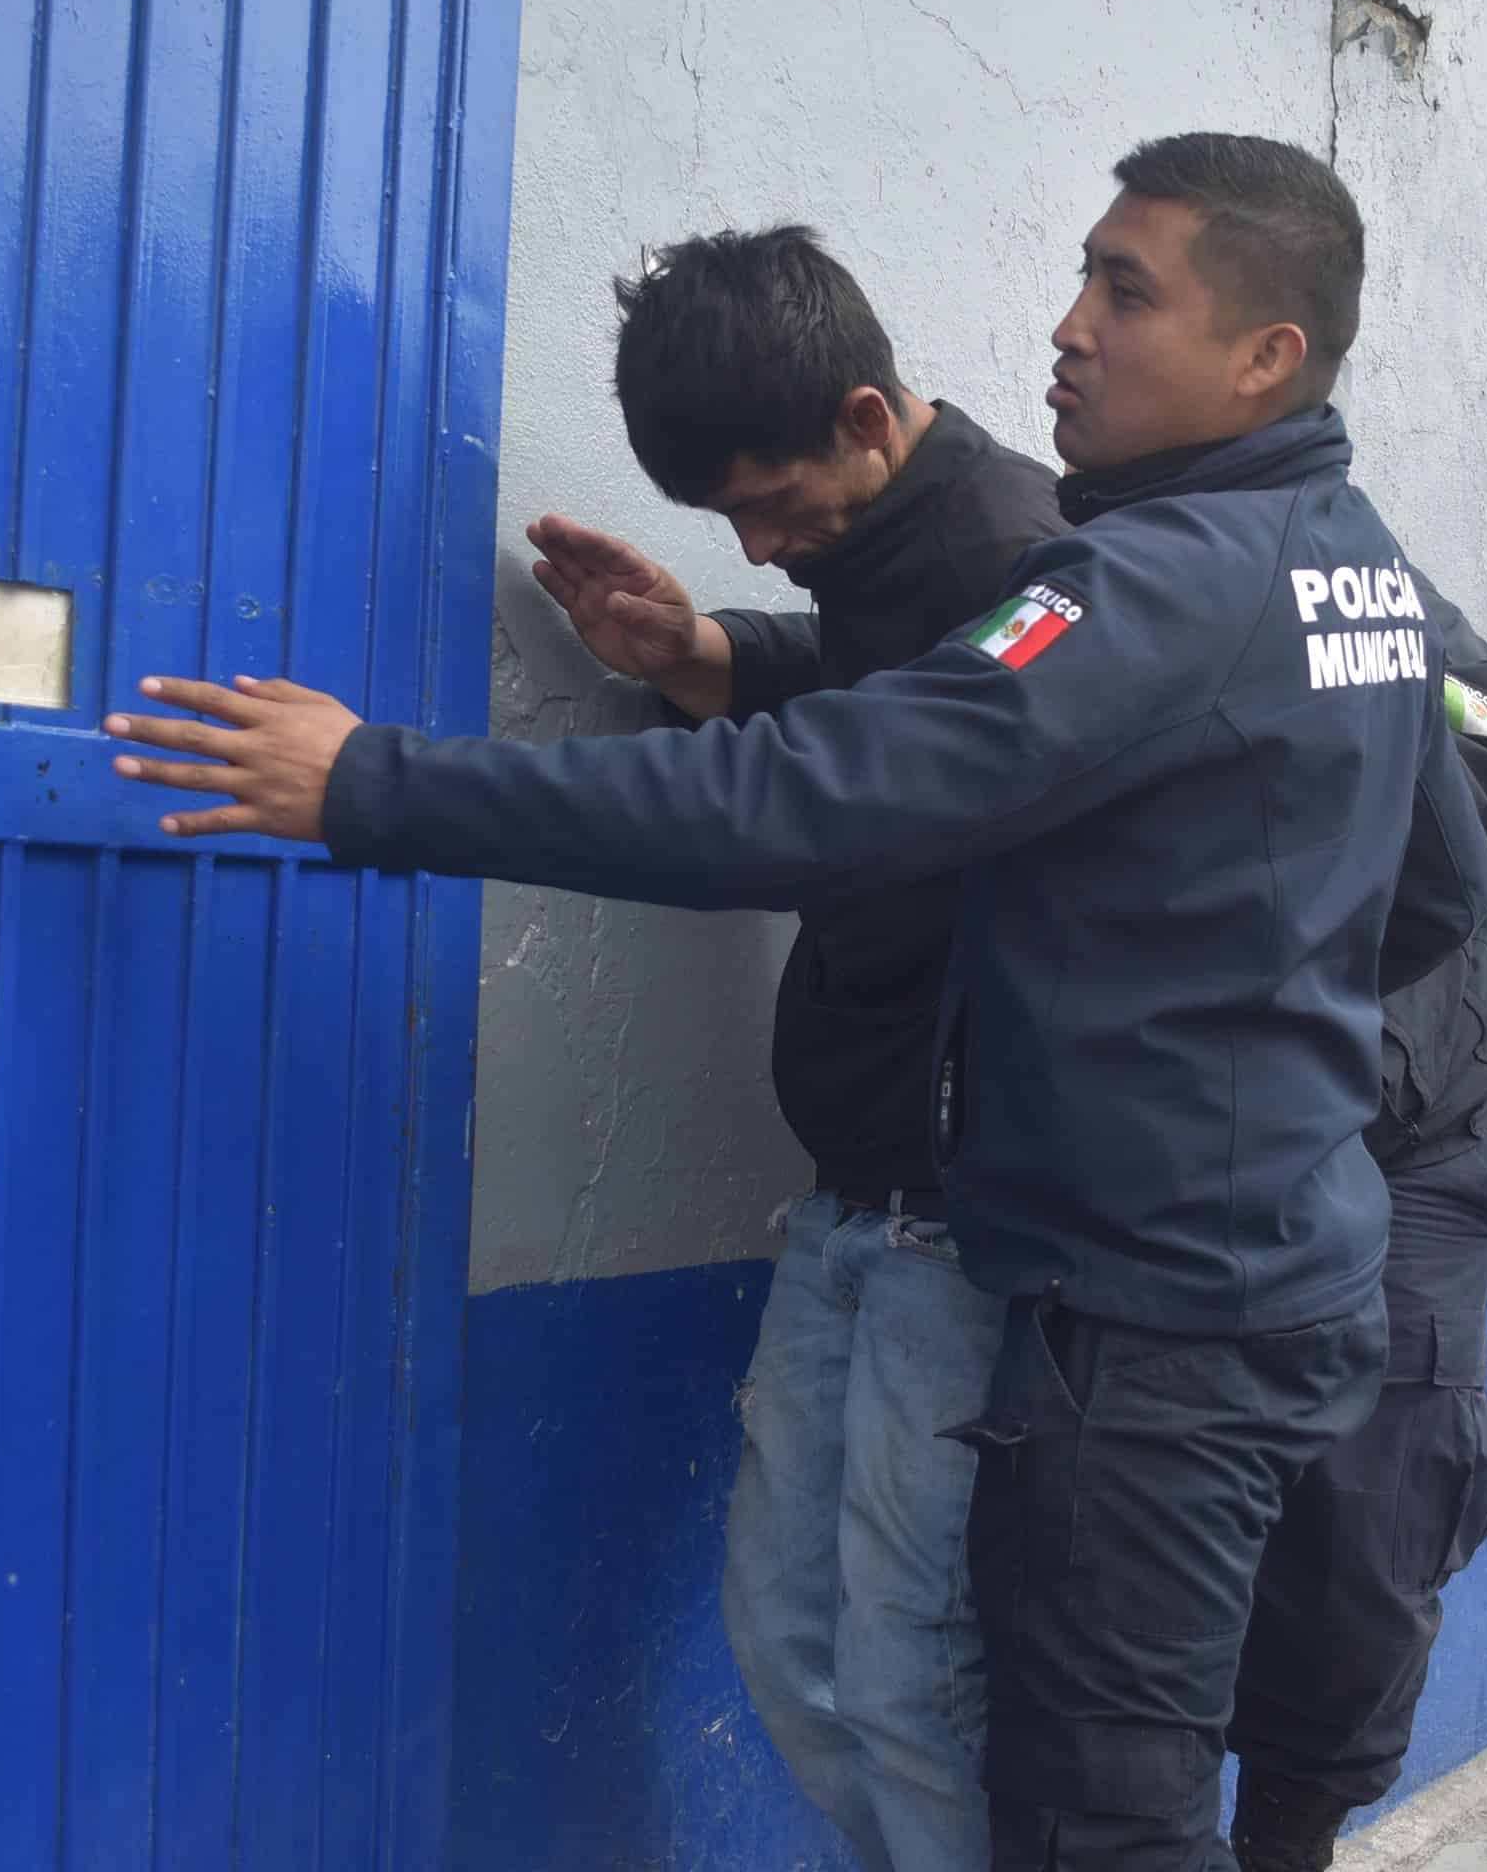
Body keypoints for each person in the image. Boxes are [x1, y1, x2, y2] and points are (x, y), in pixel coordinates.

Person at [107, 132, 1487, 1867]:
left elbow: (811, 793)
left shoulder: (1150, 587)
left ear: (1261, 355)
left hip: (1154, 1300)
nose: (1065, 325)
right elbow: (1436, 870)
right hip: (1234, 1262)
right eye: (1081, 271)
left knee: (1083, 1815)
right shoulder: (1336, 561)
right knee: (1035, 1766)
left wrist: (375, 784)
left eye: (1122, 291)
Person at [522, 225, 1061, 1868]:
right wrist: (698, 656)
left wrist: (375, 788)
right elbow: (862, 690)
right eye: (730, 524)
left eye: (770, 503)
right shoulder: (893, 567)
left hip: (963, 1217)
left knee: (906, 1669)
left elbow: (873, 766)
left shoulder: (1035, 569)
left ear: (867, 417)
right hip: (856, 1198)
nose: (760, 545)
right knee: (794, 1644)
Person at [1227, 622, 1487, 1872]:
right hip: (1203, 1148)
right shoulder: (1130, 579)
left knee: (1377, 1503)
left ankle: (1288, 1835)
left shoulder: (1388, 616)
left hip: (1412, 1156)